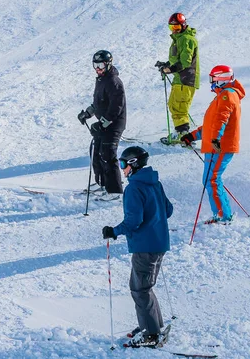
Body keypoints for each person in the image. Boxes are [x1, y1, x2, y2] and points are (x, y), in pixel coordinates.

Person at [102, 146, 173, 348]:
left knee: (140, 289)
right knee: (144, 287)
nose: (122, 169)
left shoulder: (134, 188)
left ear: (132, 164)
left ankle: (151, 334)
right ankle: (151, 325)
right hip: (159, 243)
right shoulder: (154, 182)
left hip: (145, 246)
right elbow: (168, 210)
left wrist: (113, 231)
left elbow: (134, 220)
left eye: (123, 164)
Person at [181, 65, 245, 224]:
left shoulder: (226, 96)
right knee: (212, 179)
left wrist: (216, 139)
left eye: (213, 79)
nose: (211, 83)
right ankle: (224, 214)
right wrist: (192, 135)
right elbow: (211, 125)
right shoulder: (222, 96)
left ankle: (223, 217)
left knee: (211, 180)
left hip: (219, 146)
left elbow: (221, 121)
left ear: (221, 78)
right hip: (215, 145)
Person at [77, 50, 126, 201]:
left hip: (114, 124)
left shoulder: (113, 81)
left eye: (100, 65)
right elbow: (99, 103)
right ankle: (102, 184)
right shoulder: (101, 79)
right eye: (95, 65)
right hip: (104, 124)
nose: (97, 68)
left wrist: (103, 123)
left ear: (108, 64)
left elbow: (115, 108)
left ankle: (115, 191)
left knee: (107, 155)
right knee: (96, 153)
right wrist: (88, 113)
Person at [156, 12, 200, 144]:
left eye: (177, 28)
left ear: (183, 25)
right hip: (180, 79)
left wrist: (170, 69)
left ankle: (183, 135)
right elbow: (178, 59)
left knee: (178, 108)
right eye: (172, 28)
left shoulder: (186, 39)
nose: (174, 31)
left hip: (185, 80)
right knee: (174, 105)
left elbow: (185, 62)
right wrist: (167, 65)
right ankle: (182, 133)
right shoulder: (180, 39)